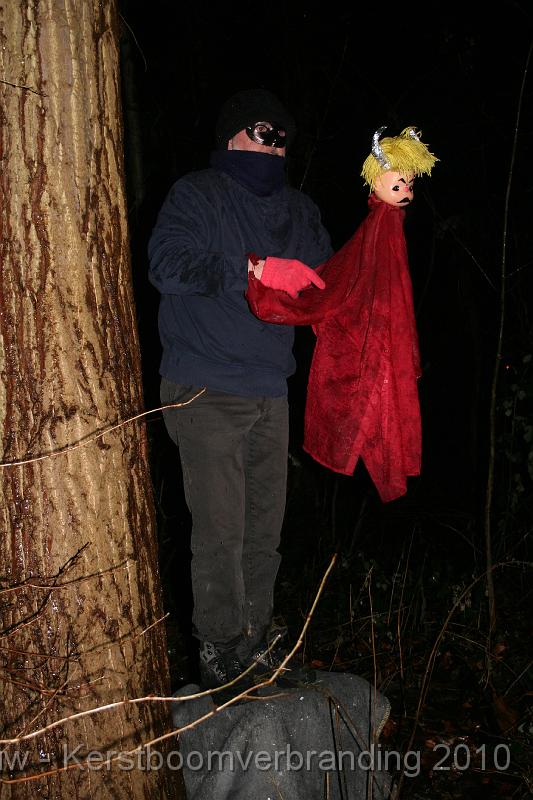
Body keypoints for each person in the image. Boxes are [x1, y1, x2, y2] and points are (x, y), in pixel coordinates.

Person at [148, 88, 332, 690]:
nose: (275, 144)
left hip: (270, 390)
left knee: (263, 531)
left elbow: (328, 281)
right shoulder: (198, 194)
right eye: (263, 131)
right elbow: (166, 264)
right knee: (221, 530)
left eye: (284, 137)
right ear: (230, 134)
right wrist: (253, 270)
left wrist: (383, 220)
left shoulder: (299, 209)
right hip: (205, 387)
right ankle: (220, 648)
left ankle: (254, 640)